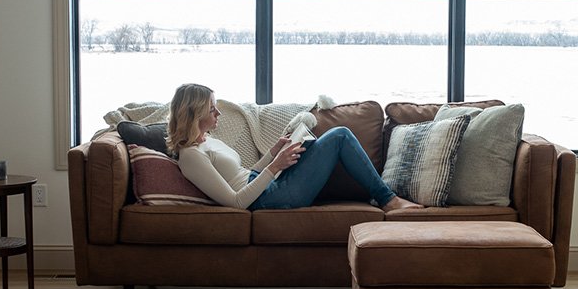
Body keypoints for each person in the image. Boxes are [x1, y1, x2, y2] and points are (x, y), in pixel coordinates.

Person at [166, 83, 422, 212]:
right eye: (212, 108)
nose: (219, 112)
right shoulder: (191, 157)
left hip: (266, 185)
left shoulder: (208, 139)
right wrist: (275, 166)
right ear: (195, 112)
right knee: (340, 136)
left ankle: (386, 197)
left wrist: (273, 152)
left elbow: (245, 173)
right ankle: (388, 200)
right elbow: (237, 202)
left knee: (316, 142)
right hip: (268, 199)